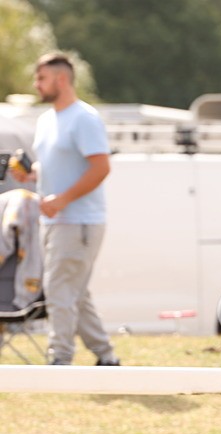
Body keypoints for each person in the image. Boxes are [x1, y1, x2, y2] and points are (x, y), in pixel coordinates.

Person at [9, 52, 119, 366]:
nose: (35, 84)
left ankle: (60, 360)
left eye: (41, 78)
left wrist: (63, 199)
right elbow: (59, 165)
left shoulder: (84, 118)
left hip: (79, 221)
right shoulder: (47, 120)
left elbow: (100, 167)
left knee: (58, 289)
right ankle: (107, 357)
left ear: (61, 79)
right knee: (75, 292)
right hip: (55, 221)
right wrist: (32, 175)